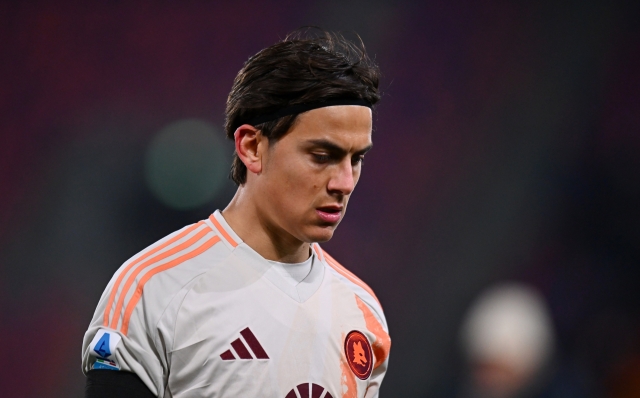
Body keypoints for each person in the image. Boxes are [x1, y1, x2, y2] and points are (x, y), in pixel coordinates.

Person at [82, 30, 391, 398]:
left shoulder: (362, 313)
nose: (344, 182)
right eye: (322, 156)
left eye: (356, 160)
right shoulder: (152, 290)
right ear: (252, 147)